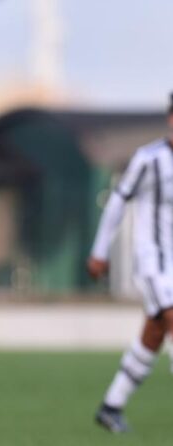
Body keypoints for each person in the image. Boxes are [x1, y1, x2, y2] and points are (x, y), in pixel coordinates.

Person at [87, 93, 173, 433]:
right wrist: (100, 251)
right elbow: (117, 203)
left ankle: (111, 407)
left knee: (155, 331)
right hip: (153, 261)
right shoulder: (149, 159)